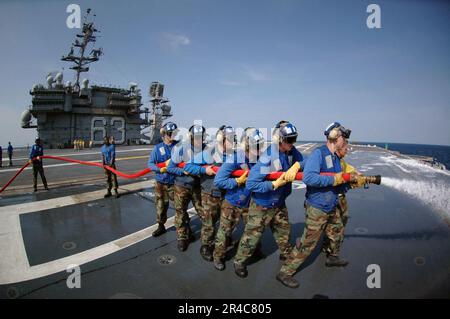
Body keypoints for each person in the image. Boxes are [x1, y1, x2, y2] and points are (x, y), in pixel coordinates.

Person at [276, 122, 358, 289]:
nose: (345, 141)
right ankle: (284, 272)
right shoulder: (319, 154)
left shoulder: (335, 157)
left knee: (337, 231)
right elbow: (310, 178)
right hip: (318, 208)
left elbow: (336, 182)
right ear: (335, 137)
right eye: (344, 137)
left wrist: (350, 183)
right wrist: (334, 179)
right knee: (308, 243)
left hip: (331, 205)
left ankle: (331, 257)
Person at [233, 121, 304, 278]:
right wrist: (272, 184)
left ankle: (285, 253)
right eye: (290, 140)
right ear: (280, 140)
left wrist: (297, 165)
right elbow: (252, 183)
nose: (293, 143)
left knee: (284, 232)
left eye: (294, 139)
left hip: (279, 202)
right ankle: (239, 261)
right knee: (252, 237)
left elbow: (304, 160)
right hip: (262, 205)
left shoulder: (290, 151)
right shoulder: (268, 158)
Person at [212, 127, 266, 271]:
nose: (260, 151)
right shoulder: (235, 158)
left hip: (251, 203)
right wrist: (236, 182)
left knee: (253, 232)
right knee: (225, 232)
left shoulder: (261, 159)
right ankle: (218, 256)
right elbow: (219, 181)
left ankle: (250, 253)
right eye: (257, 147)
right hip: (232, 202)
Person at [183, 125, 236, 261]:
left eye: (232, 139)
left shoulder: (234, 155)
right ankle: (206, 245)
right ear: (220, 140)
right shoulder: (209, 153)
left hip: (227, 195)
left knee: (227, 222)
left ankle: (223, 241)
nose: (231, 143)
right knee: (209, 223)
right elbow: (188, 166)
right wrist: (204, 171)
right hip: (209, 194)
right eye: (229, 140)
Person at [321, 138, 365, 255]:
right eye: (345, 149)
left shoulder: (341, 161)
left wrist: (358, 174)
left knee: (343, 219)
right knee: (334, 224)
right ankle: (330, 248)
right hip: (333, 197)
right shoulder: (331, 161)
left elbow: (348, 168)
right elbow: (332, 176)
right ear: (339, 148)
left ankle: (330, 244)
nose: (347, 151)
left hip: (341, 197)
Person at [167, 124, 206, 252]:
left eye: (201, 137)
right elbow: (171, 168)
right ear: (191, 137)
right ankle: (182, 238)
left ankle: (207, 238)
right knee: (180, 213)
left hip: (196, 187)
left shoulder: (206, 150)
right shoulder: (182, 148)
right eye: (196, 137)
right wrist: (183, 172)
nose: (199, 140)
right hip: (181, 186)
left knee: (202, 211)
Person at [147, 122, 179, 237]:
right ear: (165, 134)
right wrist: (159, 169)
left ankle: (183, 227)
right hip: (161, 183)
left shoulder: (179, 147)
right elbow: (150, 164)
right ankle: (161, 226)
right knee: (161, 206)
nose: (172, 136)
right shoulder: (158, 148)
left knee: (180, 207)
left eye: (174, 133)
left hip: (175, 183)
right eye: (170, 133)